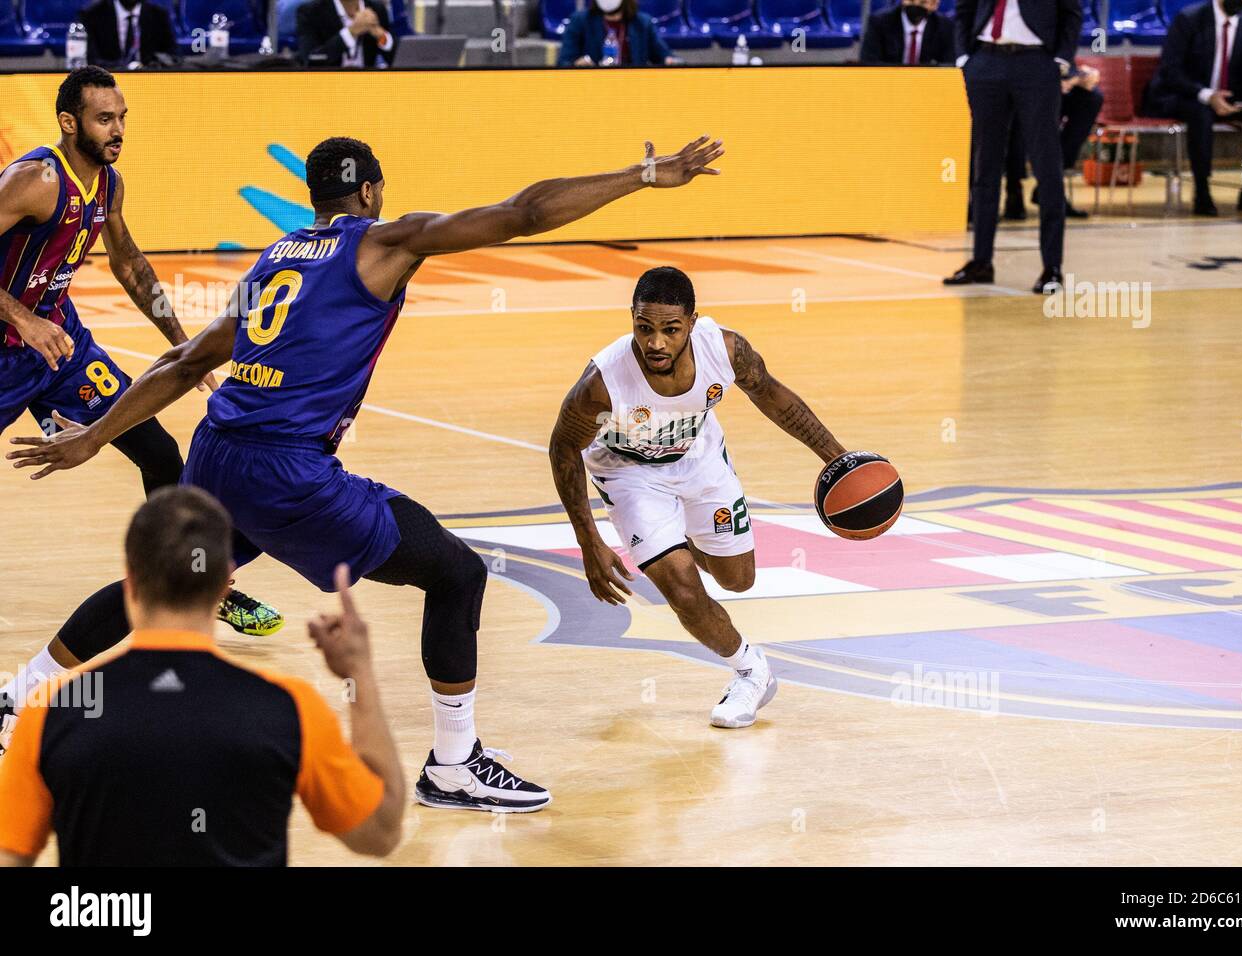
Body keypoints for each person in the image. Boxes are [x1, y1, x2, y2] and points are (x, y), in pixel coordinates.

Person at [7, 134, 725, 810]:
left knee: (172, 580)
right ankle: (454, 764)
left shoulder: (278, 256)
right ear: (372, 192)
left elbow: (186, 361)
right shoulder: (385, 240)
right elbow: (524, 214)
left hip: (217, 450)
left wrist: (96, 437)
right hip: (285, 471)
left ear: (314, 197)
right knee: (456, 574)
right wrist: (645, 176)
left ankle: (22, 693)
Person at [0, 67, 279, 710]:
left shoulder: (109, 181)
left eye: (122, 117)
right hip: (12, 345)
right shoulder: (35, 180)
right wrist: (22, 315)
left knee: (158, 453)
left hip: (63, 350)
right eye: (105, 119)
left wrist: (185, 345)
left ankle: (190, 579)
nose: (118, 130)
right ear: (69, 123)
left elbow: (127, 261)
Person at [0, 486, 404, 866]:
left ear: (130, 579)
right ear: (224, 582)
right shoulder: (290, 709)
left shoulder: (52, 713)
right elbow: (380, 833)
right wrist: (360, 675)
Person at [548, 267, 849, 729]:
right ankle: (751, 670)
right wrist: (589, 540)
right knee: (683, 590)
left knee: (737, 580)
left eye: (670, 330)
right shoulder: (603, 382)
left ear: (691, 322)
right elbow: (563, 447)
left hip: (700, 460)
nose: (656, 344)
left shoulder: (725, 350)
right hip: (631, 475)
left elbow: (772, 396)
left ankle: (671, 540)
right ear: (631, 319)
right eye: (644, 328)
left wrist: (837, 458)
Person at [945, 0, 1083, 294]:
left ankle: (1052, 267)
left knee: (1047, 166)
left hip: (1035, 63)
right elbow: (963, 11)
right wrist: (963, 58)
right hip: (985, 61)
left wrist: (1061, 60)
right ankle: (981, 261)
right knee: (985, 165)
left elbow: (1071, 13)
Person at [1143, 0, 1242, 216]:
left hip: (1227, 97)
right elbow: (1171, 71)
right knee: (1201, 113)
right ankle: (1202, 190)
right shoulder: (1189, 18)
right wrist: (1208, 96)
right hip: (1182, 95)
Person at [1004, 63, 1103, 220]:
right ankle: (1014, 190)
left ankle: (1050, 184)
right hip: (1019, 83)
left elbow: (1064, 58)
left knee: (1091, 98)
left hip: (1052, 84)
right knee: (1021, 112)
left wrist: (1079, 75)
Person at [558, 0, 681, 67]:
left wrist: (670, 60)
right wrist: (576, 65)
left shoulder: (643, 23)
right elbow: (563, 63)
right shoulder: (579, 21)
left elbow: (665, 56)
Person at [297, 0, 398, 68]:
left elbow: (398, 60)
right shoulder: (311, 12)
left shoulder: (376, 9)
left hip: (367, 85)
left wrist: (381, 35)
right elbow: (310, 61)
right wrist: (350, 33)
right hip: (329, 85)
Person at [80, 0, 177, 68]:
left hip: (149, 81)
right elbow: (90, 60)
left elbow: (173, 55)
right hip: (107, 82)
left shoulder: (159, 15)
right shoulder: (92, 15)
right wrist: (126, 67)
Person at [859, 0, 957, 66]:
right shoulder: (879, 22)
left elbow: (948, 66)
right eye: (912, 0)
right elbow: (869, 62)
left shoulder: (945, 27)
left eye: (923, 2)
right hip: (888, 83)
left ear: (935, 4)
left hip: (926, 85)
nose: (916, 4)